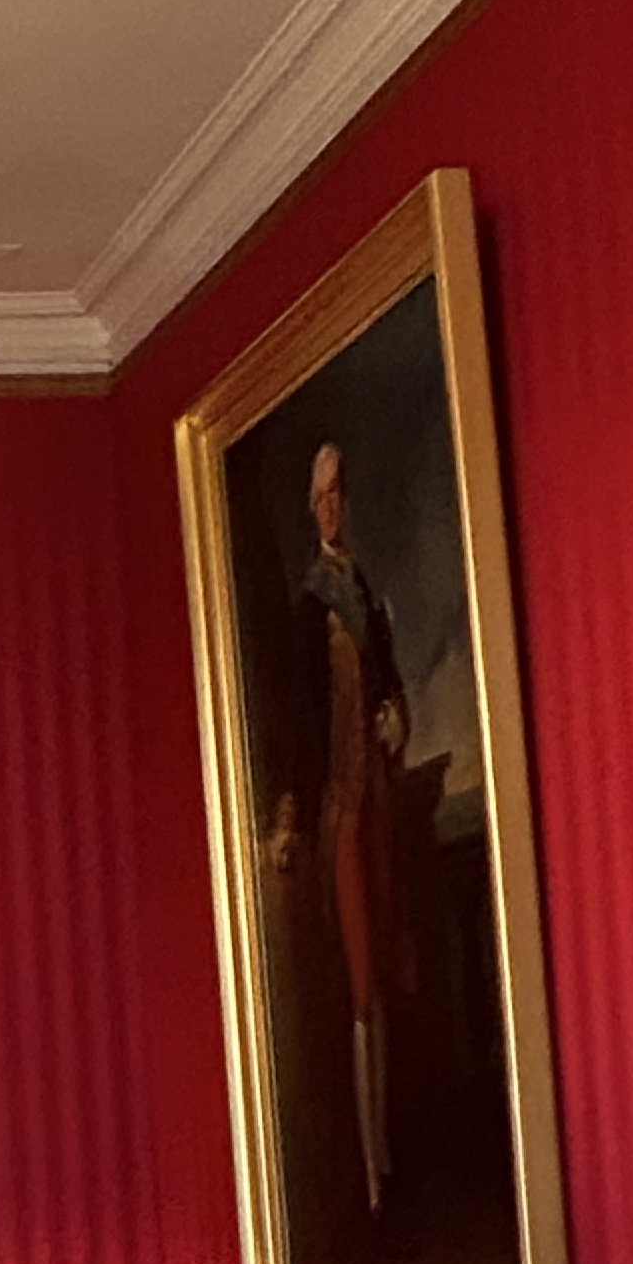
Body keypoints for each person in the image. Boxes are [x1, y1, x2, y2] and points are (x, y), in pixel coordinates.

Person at [264, 441, 414, 1218]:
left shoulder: (363, 592)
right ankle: (368, 1176)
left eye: (336, 497)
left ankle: (385, 1154)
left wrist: (396, 716)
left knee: (384, 971)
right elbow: (298, 719)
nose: (330, 508)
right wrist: (291, 813)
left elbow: (389, 687)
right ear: (311, 508)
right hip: (339, 808)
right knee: (357, 980)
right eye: (319, 499)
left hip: (378, 799)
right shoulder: (310, 604)